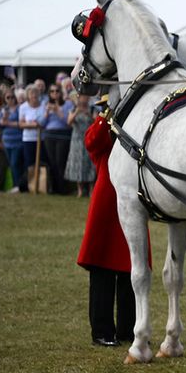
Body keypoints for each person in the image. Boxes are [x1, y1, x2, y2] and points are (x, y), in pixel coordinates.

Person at [77, 106, 143, 346]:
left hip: (131, 204)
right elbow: (91, 141)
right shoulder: (105, 138)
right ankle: (102, 331)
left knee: (131, 271)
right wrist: (104, 116)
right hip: (107, 207)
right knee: (102, 273)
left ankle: (128, 329)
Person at [65, 92, 96, 197]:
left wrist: (89, 115)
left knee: (90, 163)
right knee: (77, 163)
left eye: (86, 97)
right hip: (76, 140)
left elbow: (96, 123)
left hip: (89, 139)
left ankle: (91, 189)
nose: (84, 99)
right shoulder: (73, 109)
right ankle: (80, 190)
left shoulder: (92, 109)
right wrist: (76, 113)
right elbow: (68, 122)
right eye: (82, 97)